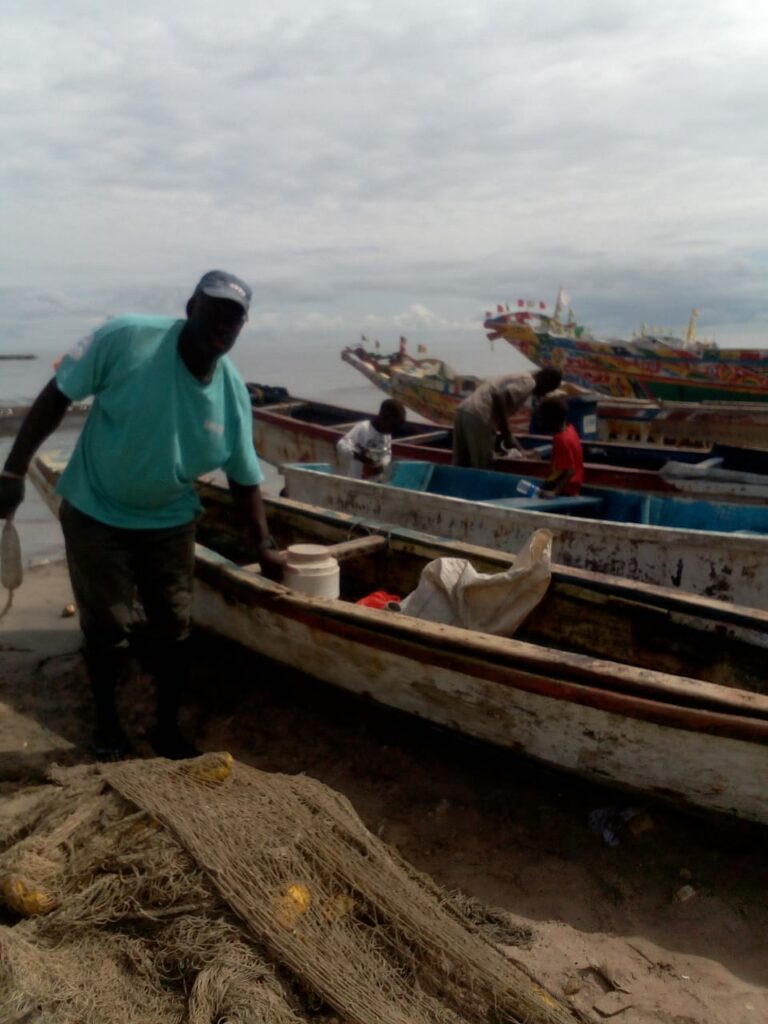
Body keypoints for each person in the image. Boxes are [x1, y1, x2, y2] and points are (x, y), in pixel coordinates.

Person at [0, 270, 285, 760]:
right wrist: (12, 473)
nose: (223, 321)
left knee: (173, 630)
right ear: (191, 306)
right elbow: (57, 394)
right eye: (214, 308)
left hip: (169, 519)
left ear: (241, 326)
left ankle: (165, 729)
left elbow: (244, 477)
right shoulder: (127, 337)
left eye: (234, 316)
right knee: (107, 629)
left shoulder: (231, 392)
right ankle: (107, 726)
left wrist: (263, 546)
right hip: (96, 509)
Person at [452, 368, 562, 470]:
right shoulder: (529, 383)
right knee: (483, 468)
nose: (543, 394)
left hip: (464, 411)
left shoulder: (520, 375)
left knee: (460, 465)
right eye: (548, 390)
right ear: (547, 381)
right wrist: (507, 434)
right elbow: (500, 397)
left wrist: (518, 447)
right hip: (480, 415)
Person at [336, 399, 406, 480]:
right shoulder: (364, 428)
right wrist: (359, 456)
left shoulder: (387, 436)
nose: (393, 430)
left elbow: (387, 455)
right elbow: (341, 444)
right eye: (393, 425)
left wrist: (380, 467)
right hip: (355, 480)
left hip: (373, 483)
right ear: (383, 417)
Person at [536, 394, 584, 497]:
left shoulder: (561, 440)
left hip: (567, 490)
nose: (541, 423)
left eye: (543, 419)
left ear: (551, 419)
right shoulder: (570, 429)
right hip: (569, 486)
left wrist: (555, 492)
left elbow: (570, 471)